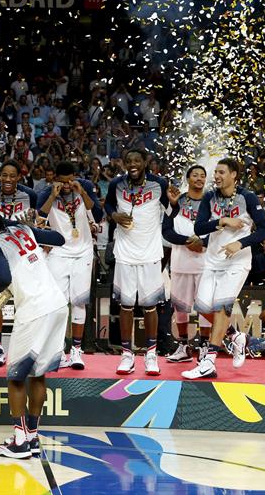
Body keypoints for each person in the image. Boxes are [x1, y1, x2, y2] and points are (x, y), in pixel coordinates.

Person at [0, 210, 68, 459]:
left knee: (16, 378)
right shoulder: (25, 231)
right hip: (58, 305)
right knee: (38, 373)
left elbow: (2, 278)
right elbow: (59, 239)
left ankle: (19, 442)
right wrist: (28, 228)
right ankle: (32, 437)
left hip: (35, 311)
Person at [181, 158, 265, 380]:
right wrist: (222, 221)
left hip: (237, 261)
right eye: (216, 172)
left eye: (221, 172)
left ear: (234, 175)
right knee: (202, 307)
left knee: (221, 308)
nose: (217, 176)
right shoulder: (209, 197)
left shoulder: (247, 197)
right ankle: (236, 336)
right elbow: (199, 227)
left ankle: (209, 361)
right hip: (213, 261)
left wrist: (240, 243)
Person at [104, 148, 177, 375]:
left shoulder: (159, 184)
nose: (133, 164)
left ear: (145, 162)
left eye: (137, 160)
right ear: (124, 163)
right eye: (129, 160)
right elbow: (107, 206)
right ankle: (127, 354)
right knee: (126, 305)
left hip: (150, 253)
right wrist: (114, 216)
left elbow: (172, 213)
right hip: (125, 253)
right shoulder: (117, 184)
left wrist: (174, 204)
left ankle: (151, 354)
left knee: (149, 306)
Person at [37, 161, 103, 370]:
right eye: (62, 181)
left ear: (74, 176)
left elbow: (98, 215)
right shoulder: (47, 192)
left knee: (79, 302)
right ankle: (57, 350)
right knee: (57, 303)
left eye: (69, 180)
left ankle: (76, 351)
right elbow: (39, 220)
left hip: (83, 252)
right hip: (58, 253)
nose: (66, 185)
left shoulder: (83, 187)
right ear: (55, 178)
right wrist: (52, 197)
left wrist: (82, 192)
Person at [0, 159, 38, 366]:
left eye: (13, 176)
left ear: (19, 177)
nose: (8, 179)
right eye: (5, 175)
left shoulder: (29, 195)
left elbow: (33, 225)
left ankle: (26, 346)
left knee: (25, 301)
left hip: (20, 253)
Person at [161, 165, 212, 363]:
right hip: (181, 261)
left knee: (205, 306)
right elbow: (166, 231)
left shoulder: (211, 201)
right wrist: (188, 242)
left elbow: (218, 230)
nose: (199, 178)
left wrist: (204, 243)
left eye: (202, 175)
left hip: (205, 261)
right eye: (195, 175)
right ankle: (183, 346)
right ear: (188, 179)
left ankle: (205, 346)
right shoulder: (177, 201)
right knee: (180, 307)